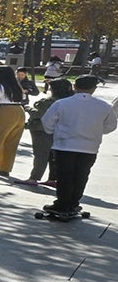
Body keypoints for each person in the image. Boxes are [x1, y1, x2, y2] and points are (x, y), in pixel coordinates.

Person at [39, 76, 114, 222]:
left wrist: (56, 132)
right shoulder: (104, 106)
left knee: (64, 175)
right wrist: (96, 131)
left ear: (74, 86)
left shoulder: (62, 103)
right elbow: (111, 125)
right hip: (89, 147)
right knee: (81, 175)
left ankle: (62, 203)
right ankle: (73, 203)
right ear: (94, 89)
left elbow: (47, 122)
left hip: (64, 146)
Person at [24, 79, 73, 187]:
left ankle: (34, 177)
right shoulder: (71, 101)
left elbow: (38, 115)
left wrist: (27, 108)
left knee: (41, 154)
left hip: (42, 129)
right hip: (61, 130)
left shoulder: (50, 102)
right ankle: (52, 179)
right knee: (54, 155)